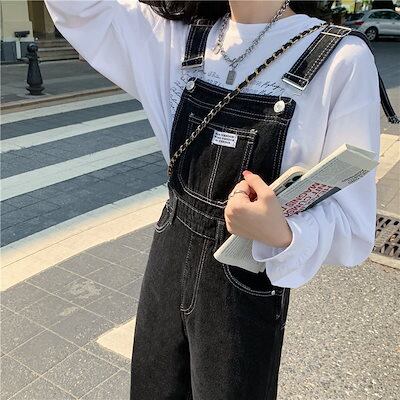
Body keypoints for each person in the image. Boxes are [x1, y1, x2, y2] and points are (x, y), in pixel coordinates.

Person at [44, 0, 398, 399]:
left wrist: (283, 233)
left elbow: (353, 226)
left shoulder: (339, 58)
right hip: (168, 256)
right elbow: (77, 9)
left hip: (244, 279)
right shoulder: (173, 37)